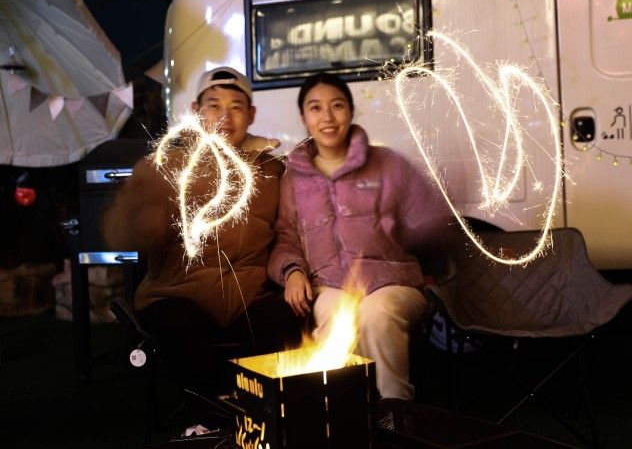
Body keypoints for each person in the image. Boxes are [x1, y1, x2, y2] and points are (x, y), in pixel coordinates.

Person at [103, 66, 301, 396]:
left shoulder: (271, 170)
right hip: (176, 293)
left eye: (236, 107)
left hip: (246, 296)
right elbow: (118, 231)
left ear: (251, 114)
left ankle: (265, 413)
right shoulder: (165, 165)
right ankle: (222, 413)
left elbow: (289, 232)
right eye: (213, 105)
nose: (225, 116)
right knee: (180, 326)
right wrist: (142, 221)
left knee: (280, 321)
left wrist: (294, 270)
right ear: (195, 111)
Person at [268, 72, 450, 400]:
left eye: (337, 105)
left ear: (351, 112)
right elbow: (286, 237)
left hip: (392, 283)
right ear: (303, 118)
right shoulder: (294, 179)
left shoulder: (387, 164)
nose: (327, 116)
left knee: (376, 313)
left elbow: (433, 220)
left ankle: (395, 413)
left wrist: (404, 231)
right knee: (335, 315)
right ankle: (341, 417)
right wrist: (292, 271)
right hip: (331, 286)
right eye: (315, 108)